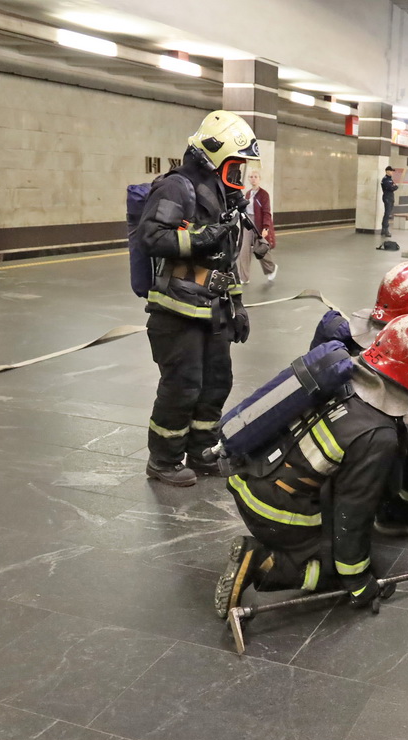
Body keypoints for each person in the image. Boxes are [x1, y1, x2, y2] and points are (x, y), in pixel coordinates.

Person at [216, 314, 408, 616]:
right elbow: (352, 513)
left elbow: (399, 429)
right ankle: (262, 563)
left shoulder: (343, 373)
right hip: (276, 514)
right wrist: (358, 580)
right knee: (332, 570)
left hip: (249, 477)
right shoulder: (377, 435)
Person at [136, 110, 258, 486]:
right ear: (214, 154)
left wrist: (238, 305)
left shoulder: (221, 194)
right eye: (235, 164)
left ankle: (202, 451)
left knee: (217, 381)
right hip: (176, 310)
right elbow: (152, 236)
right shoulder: (177, 187)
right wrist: (199, 237)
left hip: (213, 310)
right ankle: (164, 459)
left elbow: (226, 261)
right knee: (182, 385)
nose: (238, 174)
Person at [310, 262, 408, 531]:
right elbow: (393, 427)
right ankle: (390, 511)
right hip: (354, 456)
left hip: (326, 448)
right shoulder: (372, 356)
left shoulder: (353, 336)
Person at [237, 168, 277, 284]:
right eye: (251, 177)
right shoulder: (248, 194)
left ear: (259, 179)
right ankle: (244, 277)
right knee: (244, 249)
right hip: (248, 222)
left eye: (255, 177)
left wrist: (266, 227)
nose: (253, 179)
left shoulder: (264, 194)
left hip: (259, 223)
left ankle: (271, 268)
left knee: (259, 250)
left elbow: (267, 212)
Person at [381, 166, 398, 237]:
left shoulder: (390, 179)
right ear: (387, 171)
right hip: (387, 197)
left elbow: (395, 186)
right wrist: (394, 187)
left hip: (390, 197)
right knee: (387, 214)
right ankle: (385, 229)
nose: (392, 172)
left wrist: (394, 187)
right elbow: (391, 188)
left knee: (388, 213)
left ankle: (383, 229)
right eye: (391, 171)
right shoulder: (385, 179)